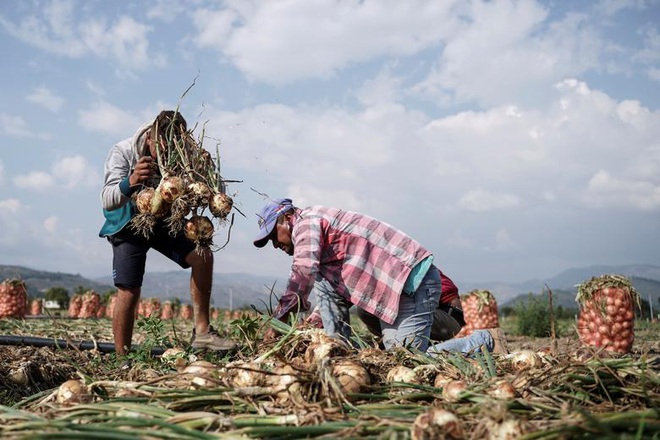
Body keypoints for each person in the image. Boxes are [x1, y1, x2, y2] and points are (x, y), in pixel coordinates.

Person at [253, 197, 506, 355]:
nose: (275, 245)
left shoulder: (307, 222)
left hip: (413, 288)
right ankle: (340, 349)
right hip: (392, 296)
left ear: (287, 218)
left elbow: (303, 271)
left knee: (405, 360)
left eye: (274, 236)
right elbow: (330, 291)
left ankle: (480, 341)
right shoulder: (318, 243)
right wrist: (313, 327)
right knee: (336, 292)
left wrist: (280, 321)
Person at [99, 110, 237, 356]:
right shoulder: (124, 151)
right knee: (129, 288)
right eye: (163, 148)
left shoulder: (184, 153)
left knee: (202, 254)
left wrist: (210, 176)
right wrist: (130, 182)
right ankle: (122, 356)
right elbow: (107, 199)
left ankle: (203, 334)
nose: (167, 155)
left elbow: (217, 189)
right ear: (151, 137)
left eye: (175, 147)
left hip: (163, 219)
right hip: (128, 221)